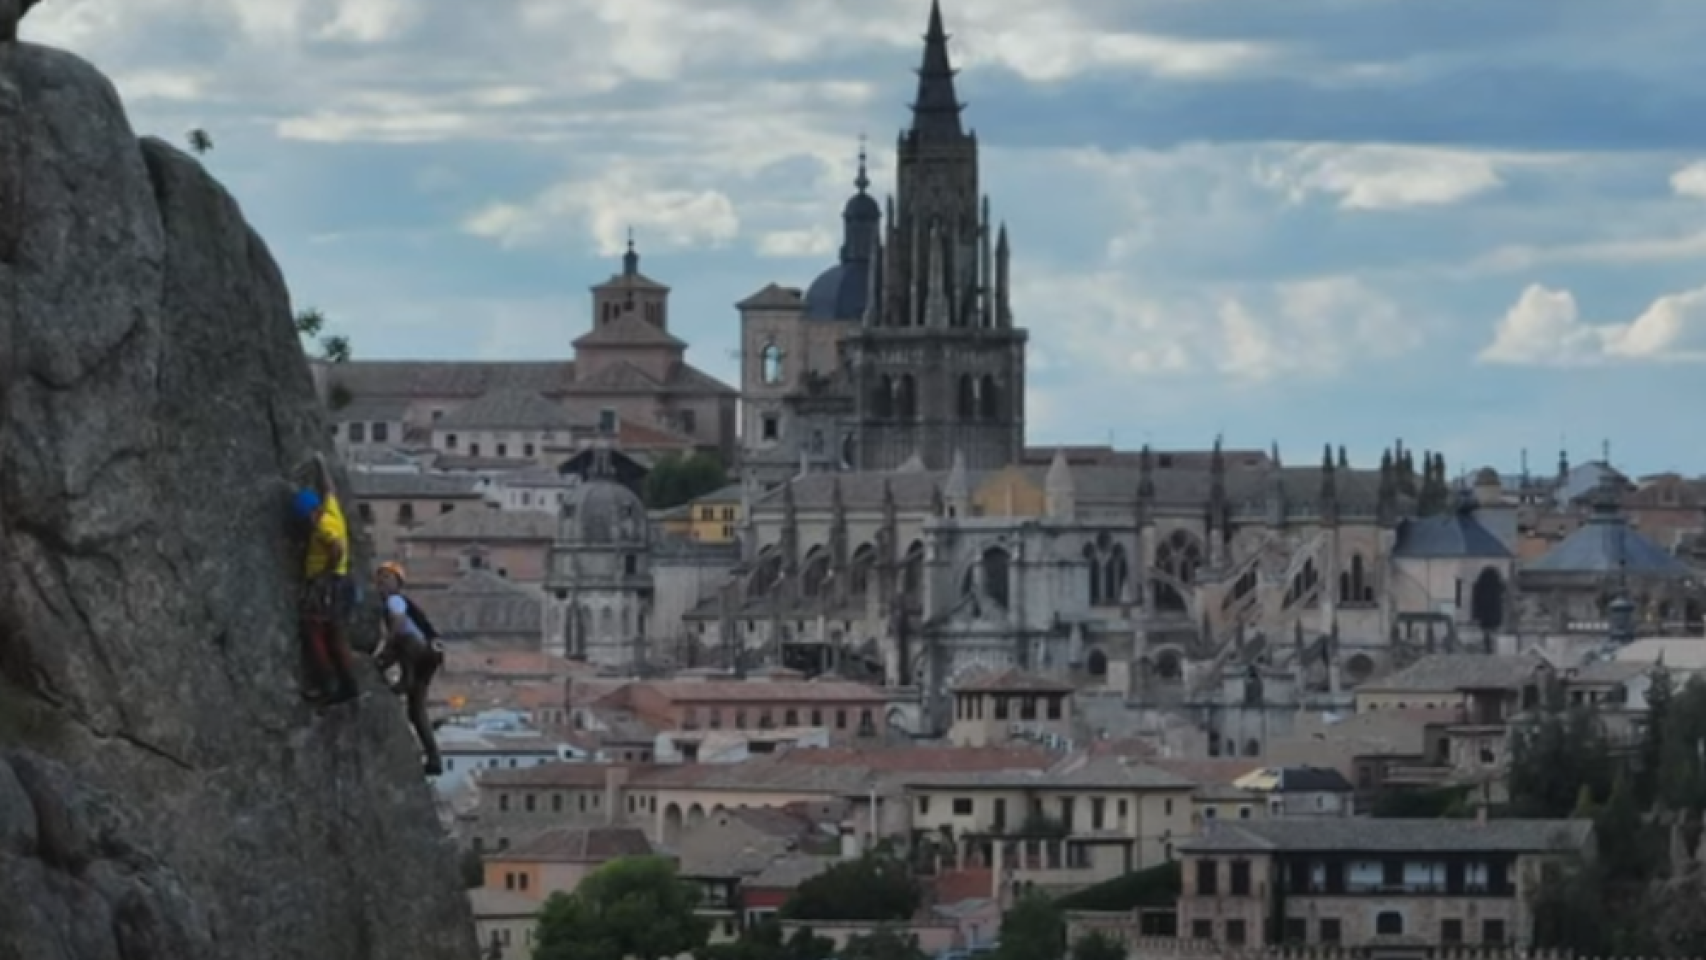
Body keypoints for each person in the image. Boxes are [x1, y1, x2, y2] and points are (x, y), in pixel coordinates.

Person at [294, 453, 360, 707]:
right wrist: (322, 466)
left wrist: (324, 575)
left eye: (305, 518)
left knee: (314, 632)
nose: (306, 525)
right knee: (335, 634)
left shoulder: (322, 526)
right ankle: (348, 685)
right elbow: (330, 488)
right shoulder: (331, 509)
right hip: (341, 583)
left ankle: (328, 684)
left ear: (312, 512)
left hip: (328, 584)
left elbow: (336, 548)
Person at [373, 561, 445, 776]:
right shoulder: (402, 602)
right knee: (416, 711)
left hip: (417, 650)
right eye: (380, 578)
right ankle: (434, 760)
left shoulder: (395, 601)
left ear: (397, 583)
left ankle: (407, 680)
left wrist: (383, 656)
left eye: (387, 578)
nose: (382, 582)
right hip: (431, 656)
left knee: (401, 639)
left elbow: (399, 624)